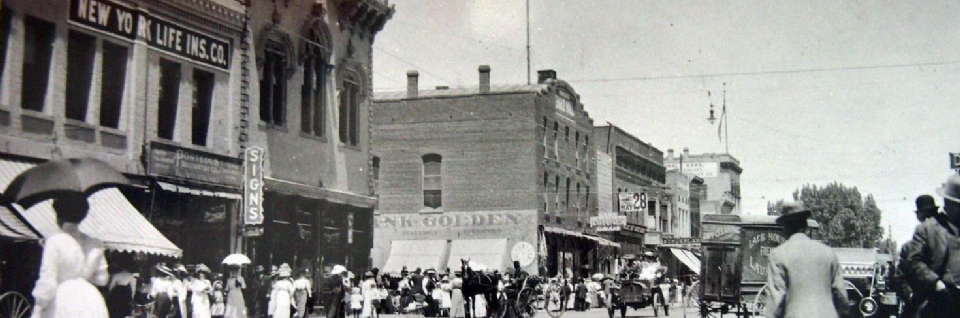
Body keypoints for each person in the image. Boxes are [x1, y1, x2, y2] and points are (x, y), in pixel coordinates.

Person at [30, 194, 109, 318]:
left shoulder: (55, 241)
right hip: (90, 300)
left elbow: (48, 281)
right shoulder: (96, 244)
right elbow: (102, 279)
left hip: (62, 300)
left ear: (58, 216)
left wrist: (38, 308)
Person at [765, 202, 849, 318]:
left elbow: (776, 301)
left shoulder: (778, 255)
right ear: (805, 226)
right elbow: (841, 294)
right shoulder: (828, 253)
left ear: (785, 228)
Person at [900, 175, 960, 318]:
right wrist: (935, 283)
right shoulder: (928, 230)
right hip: (941, 303)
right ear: (949, 203)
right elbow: (913, 261)